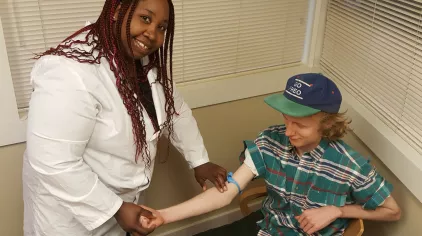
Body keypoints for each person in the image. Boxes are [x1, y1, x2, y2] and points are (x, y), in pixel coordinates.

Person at [22, 0, 228, 235]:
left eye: (162, 27)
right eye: (146, 19)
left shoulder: (141, 60)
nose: (152, 34)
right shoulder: (69, 71)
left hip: (124, 204)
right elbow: (53, 161)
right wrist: (114, 208)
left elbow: (175, 109)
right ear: (118, 10)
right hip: (71, 217)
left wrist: (199, 160)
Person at [142, 73, 401, 235]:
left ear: (327, 123)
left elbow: (392, 211)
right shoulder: (269, 140)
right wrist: (164, 216)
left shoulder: (349, 164)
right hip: (268, 228)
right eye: (286, 120)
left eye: (299, 124)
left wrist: (338, 211)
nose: (288, 131)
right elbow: (227, 194)